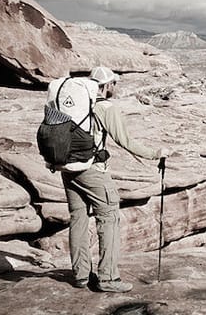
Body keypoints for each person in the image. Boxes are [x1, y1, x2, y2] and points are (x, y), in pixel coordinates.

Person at [58, 66, 170, 292]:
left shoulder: (76, 104)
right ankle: (108, 279)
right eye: (114, 84)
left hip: (68, 168)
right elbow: (125, 140)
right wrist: (156, 153)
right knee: (109, 219)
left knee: (78, 220)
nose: (115, 88)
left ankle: (80, 276)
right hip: (93, 171)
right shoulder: (106, 108)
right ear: (107, 85)